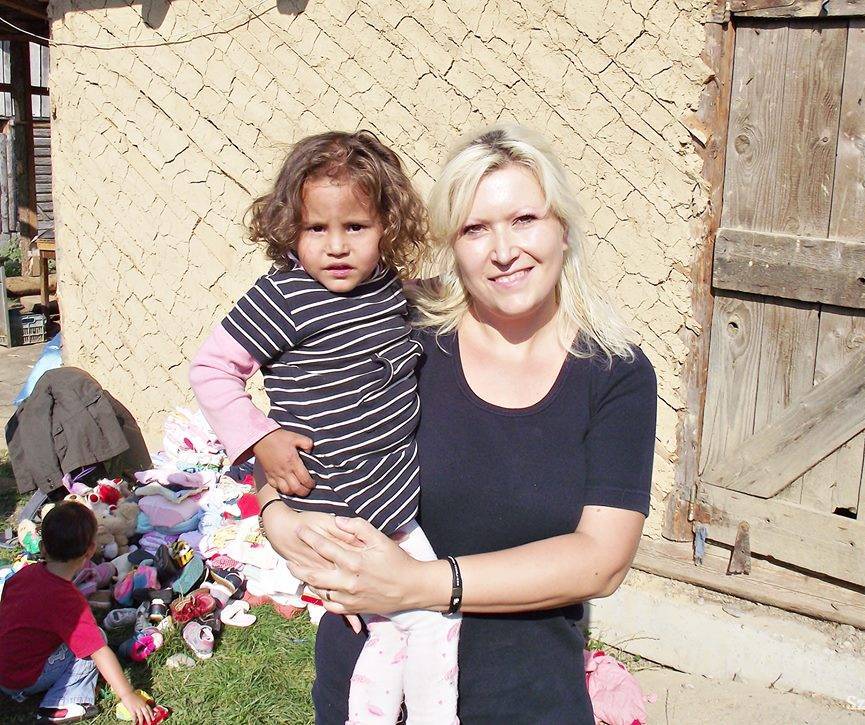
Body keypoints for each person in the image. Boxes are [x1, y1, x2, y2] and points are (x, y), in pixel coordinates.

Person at [258, 123, 658, 723]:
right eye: (475, 229)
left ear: (563, 228)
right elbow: (297, 444)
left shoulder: (614, 373)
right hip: (368, 688)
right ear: (452, 242)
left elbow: (601, 560)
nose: (504, 251)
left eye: (524, 219)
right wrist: (276, 516)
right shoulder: (401, 329)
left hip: (524, 700)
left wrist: (420, 584)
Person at [189, 130, 460, 724]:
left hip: (388, 502)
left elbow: (431, 304)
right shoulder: (283, 296)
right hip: (337, 508)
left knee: (387, 632)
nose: (336, 247)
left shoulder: (388, 289)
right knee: (433, 619)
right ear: (290, 228)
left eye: (355, 227)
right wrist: (260, 437)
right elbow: (211, 368)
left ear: (387, 227)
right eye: (316, 229)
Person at [0, 501, 154, 724]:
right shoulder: (68, 601)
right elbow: (98, 652)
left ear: (42, 547)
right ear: (91, 550)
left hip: (5, 666)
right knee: (95, 642)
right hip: (22, 679)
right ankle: (63, 703)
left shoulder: (25, 574)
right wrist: (128, 694)